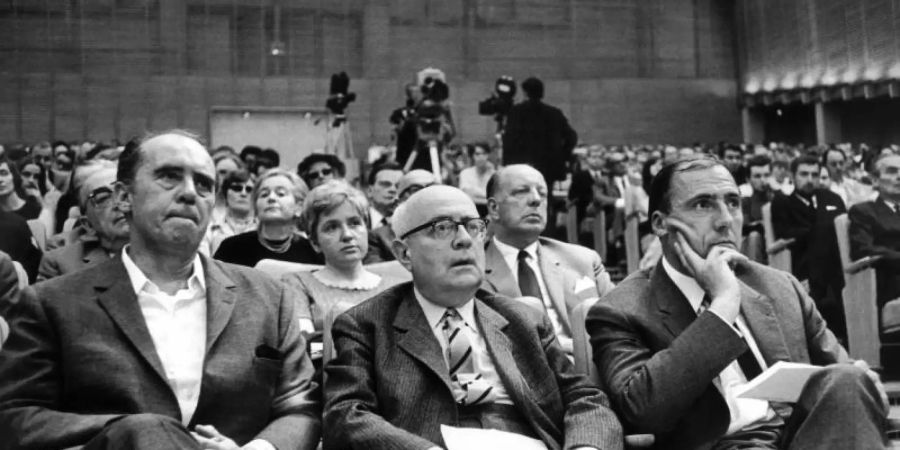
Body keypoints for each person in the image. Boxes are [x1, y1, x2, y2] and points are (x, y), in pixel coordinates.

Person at [0, 130, 321, 450]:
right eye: (169, 177)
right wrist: (130, 435)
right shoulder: (51, 304)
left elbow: (301, 408)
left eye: (204, 185)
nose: (189, 193)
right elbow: (16, 418)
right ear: (124, 197)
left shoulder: (268, 297)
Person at [586, 155, 888, 450]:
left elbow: (845, 378)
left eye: (733, 202)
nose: (726, 221)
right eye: (703, 205)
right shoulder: (620, 309)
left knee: (849, 381)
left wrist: (865, 383)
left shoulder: (780, 286)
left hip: (801, 438)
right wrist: (722, 306)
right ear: (661, 224)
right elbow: (643, 411)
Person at [324, 185, 623, 450]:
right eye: (442, 227)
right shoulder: (366, 324)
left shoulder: (522, 319)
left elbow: (585, 398)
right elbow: (346, 414)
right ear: (404, 254)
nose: (464, 240)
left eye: (473, 227)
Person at [482, 164, 613, 354]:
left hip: (590, 370)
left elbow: (623, 324)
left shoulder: (584, 260)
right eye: (521, 192)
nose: (536, 200)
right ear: (494, 208)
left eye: (542, 194)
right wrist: (561, 348)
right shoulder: (474, 268)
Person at [283, 180, 404, 335]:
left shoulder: (397, 286)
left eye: (354, 223)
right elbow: (304, 345)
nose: (347, 235)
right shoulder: (297, 284)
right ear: (314, 242)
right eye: (332, 227)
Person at [770, 155, 847, 338]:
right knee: (822, 233)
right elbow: (785, 234)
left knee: (825, 237)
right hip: (800, 264)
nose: (810, 180)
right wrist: (819, 230)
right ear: (793, 175)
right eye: (804, 174)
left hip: (834, 264)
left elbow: (843, 233)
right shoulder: (783, 201)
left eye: (815, 174)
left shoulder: (832, 198)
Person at [37, 160, 129, 281]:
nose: (118, 204)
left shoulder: (161, 250)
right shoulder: (61, 265)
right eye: (103, 198)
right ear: (88, 224)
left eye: (124, 194)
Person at [215, 168, 321, 267]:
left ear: (298, 207)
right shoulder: (231, 248)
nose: (271, 198)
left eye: (280, 194)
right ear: (256, 206)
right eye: (264, 194)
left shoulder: (312, 251)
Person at [848, 154, 900, 326]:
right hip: (889, 279)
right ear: (876, 181)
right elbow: (863, 249)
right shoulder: (863, 211)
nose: (899, 176)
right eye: (892, 172)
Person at [365, 169, 438, 263]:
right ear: (399, 199)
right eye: (415, 189)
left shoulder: (452, 229)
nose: (425, 193)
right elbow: (378, 272)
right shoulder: (378, 237)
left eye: (431, 188)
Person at [201, 169, 257, 256]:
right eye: (237, 188)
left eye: (249, 189)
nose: (243, 193)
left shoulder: (263, 229)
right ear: (225, 192)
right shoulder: (209, 228)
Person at [457, 142, 495, 217]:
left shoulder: (494, 175)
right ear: (472, 156)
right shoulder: (465, 173)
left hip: (490, 213)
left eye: (484, 153)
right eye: (477, 154)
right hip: (469, 211)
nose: (481, 157)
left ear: (488, 155)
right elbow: (466, 198)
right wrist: (487, 200)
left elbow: (496, 199)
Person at [0, 156, 42, 220]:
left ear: (15, 176)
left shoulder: (36, 210)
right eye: (26, 174)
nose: (0, 179)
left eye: (4, 173)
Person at [366, 162, 403, 229]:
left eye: (398, 186)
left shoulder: (409, 222)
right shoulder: (358, 220)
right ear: (370, 191)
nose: (393, 190)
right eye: (385, 184)